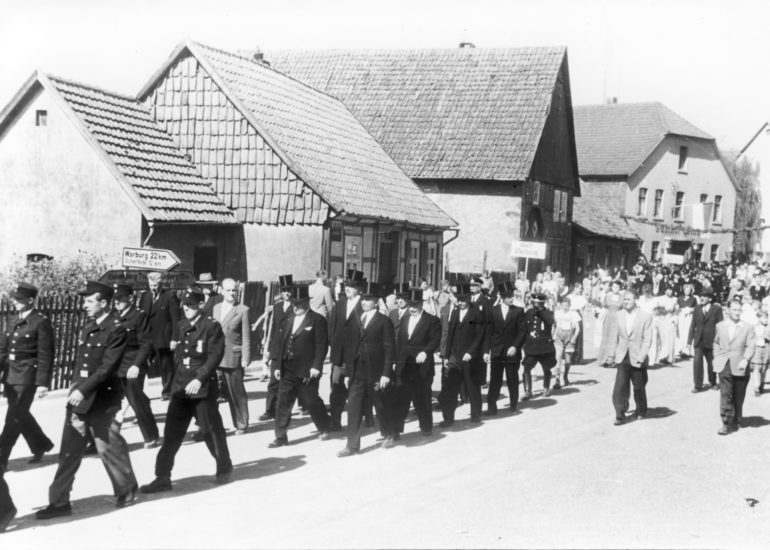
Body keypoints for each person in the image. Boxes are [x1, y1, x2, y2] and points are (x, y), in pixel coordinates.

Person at [36, 281, 137, 519]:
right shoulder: (89, 326)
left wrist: (83, 389)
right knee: (69, 452)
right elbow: (81, 364)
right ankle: (59, 502)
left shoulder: (117, 329)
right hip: (80, 398)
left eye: (90, 301)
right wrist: (76, 388)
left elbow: (107, 367)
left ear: (105, 303)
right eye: (85, 301)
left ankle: (126, 489)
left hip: (102, 400)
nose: (85, 305)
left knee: (108, 448)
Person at [140, 288, 231, 493]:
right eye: (184, 305)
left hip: (202, 389)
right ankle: (162, 476)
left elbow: (214, 356)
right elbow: (179, 359)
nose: (186, 308)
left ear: (201, 305)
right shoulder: (181, 325)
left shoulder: (211, 326)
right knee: (171, 434)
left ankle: (224, 468)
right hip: (181, 389)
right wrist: (175, 385)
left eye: (191, 305)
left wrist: (199, 379)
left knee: (210, 430)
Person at [0, 282, 55, 470]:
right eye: (14, 298)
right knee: (20, 413)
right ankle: (40, 444)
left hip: (26, 376)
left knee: (14, 417)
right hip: (10, 375)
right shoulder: (13, 320)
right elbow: (3, 350)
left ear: (30, 300)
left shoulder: (40, 322)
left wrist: (43, 383)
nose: (14, 302)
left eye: (19, 299)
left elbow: (46, 354)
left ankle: (1, 459)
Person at [269, 285, 332, 447]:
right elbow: (281, 343)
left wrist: (316, 366)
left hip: (306, 370)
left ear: (307, 303)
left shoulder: (317, 320)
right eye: (293, 304)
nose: (295, 307)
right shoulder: (289, 319)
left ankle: (324, 426)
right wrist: (277, 366)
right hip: (287, 368)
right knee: (283, 403)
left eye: (299, 304)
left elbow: (321, 345)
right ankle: (280, 437)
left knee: (311, 401)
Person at [338, 285, 397, 456]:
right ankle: (352, 445)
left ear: (376, 302)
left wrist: (386, 374)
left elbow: (389, 349)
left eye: (368, 300)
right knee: (354, 408)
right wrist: (348, 372)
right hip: (357, 371)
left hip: (376, 372)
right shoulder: (357, 318)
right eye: (363, 299)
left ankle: (389, 433)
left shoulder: (384, 321)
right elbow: (351, 347)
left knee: (381, 404)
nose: (364, 302)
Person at [112, 284, 159, 449]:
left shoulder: (139, 316)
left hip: (132, 365)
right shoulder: (113, 316)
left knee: (136, 402)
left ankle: (151, 436)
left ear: (130, 299)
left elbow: (146, 343)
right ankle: (104, 439)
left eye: (120, 299)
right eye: (115, 299)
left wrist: (137, 365)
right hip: (115, 365)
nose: (117, 302)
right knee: (108, 402)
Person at [395, 289, 441, 434]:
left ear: (421, 304)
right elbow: (400, 342)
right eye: (410, 306)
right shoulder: (405, 319)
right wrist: (396, 361)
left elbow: (435, 340)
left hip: (422, 367)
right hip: (405, 365)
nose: (412, 309)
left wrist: (425, 352)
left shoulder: (432, 320)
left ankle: (426, 427)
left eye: (415, 306)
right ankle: (396, 430)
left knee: (422, 398)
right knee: (401, 397)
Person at [608, 289, 653, 426]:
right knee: (620, 386)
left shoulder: (645, 316)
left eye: (629, 299)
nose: (626, 301)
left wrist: (642, 356)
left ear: (636, 300)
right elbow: (614, 336)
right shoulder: (619, 315)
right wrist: (611, 354)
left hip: (637, 356)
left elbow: (647, 339)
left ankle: (641, 410)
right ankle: (619, 414)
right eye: (624, 299)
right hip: (622, 355)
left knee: (639, 386)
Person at [439, 291, 485, 425]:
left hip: (470, 357)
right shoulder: (455, 313)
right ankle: (448, 419)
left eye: (463, 300)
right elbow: (450, 335)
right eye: (459, 300)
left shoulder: (476, 313)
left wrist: (471, 352)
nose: (461, 303)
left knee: (472, 387)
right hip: (455, 356)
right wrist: (446, 355)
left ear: (469, 299)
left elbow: (479, 335)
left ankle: (476, 415)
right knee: (450, 387)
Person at [213, 278, 251, 434]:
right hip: (216, 356)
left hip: (232, 356)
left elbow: (246, 336)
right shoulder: (216, 308)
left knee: (235, 393)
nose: (231, 293)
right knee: (213, 393)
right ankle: (211, 426)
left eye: (234, 290)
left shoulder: (242, 310)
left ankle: (241, 423)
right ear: (221, 291)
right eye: (228, 290)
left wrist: (246, 357)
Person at [713, 299, 756, 435]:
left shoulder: (748, 327)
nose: (737, 313)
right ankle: (725, 423)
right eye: (734, 310)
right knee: (725, 394)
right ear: (728, 310)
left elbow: (751, 345)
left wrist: (746, 359)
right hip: (724, 364)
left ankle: (737, 417)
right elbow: (716, 342)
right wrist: (716, 356)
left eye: (739, 310)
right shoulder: (720, 326)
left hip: (740, 365)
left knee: (738, 395)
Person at [329, 270, 365, 431]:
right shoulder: (340, 303)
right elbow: (333, 327)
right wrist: (334, 346)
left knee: (357, 390)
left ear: (359, 288)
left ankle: (365, 417)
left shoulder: (364, 304)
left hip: (357, 355)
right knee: (336, 388)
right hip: (340, 356)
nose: (348, 288)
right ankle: (335, 421)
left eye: (352, 286)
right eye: (347, 285)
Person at [483, 283, 525, 415]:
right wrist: (486, 351)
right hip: (497, 352)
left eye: (512, 296)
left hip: (512, 352)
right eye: (508, 296)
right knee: (495, 380)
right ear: (502, 297)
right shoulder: (493, 311)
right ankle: (491, 408)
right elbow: (488, 332)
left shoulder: (518, 311)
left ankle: (513, 405)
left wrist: (515, 346)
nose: (511, 298)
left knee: (512, 379)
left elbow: (522, 332)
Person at [138, 272, 180, 400]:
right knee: (141, 364)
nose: (153, 288)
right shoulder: (145, 296)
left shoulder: (169, 296)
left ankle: (167, 392)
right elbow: (140, 317)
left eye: (155, 285)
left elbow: (175, 319)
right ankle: (138, 392)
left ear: (161, 284)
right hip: (147, 337)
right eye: (151, 285)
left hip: (164, 337)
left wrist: (174, 339)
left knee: (166, 366)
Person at [260, 274, 295, 421]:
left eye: (289, 290)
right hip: (277, 349)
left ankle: (287, 410)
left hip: (290, 349)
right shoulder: (277, 307)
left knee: (289, 382)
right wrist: (269, 349)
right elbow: (273, 329)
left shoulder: (296, 306)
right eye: (284, 290)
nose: (287, 293)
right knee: (273, 382)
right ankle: (270, 410)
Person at [521, 293, 557, 398]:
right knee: (526, 368)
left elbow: (549, 321)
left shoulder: (548, 313)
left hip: (544, 347)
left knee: (546, 368)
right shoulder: (529, 312)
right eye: (535, 303)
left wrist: (540, 312)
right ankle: (528, 391)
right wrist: (524, 342)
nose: (536, 305)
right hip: (532, 346)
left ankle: (546, 388)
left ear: (543, 303)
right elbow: (525, 328)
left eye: (539, 303)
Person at [688, 287, 723, 392]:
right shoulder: (697, 308)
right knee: (697, 363)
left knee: (711, 363)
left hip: (711, 340)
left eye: (704, 296)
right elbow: (692, 325)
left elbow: (721, 325)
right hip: (699, 340)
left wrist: (719, 341)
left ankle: (713, 382)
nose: (702, 298)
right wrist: (689, 341)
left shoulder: (716, 309)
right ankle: (697, 385)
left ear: (710, 299)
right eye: (701, 296)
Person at [553, 297, 581, 388]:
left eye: (566, 306)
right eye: (563, 305)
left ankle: (565, 375)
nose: (565, 307)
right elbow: (556, 325)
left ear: (570, 306)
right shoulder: (558, 313)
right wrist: (554, 335)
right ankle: (557, 379)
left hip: (569, 335)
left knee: (568, 360)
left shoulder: (573, 313)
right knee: (558, 357)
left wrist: (574, 338)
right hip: (560, 335)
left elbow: (578, 328)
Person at [596, 281, 623, 367]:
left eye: (617, 287)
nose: (615, 289)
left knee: (615, 339)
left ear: (620, 288)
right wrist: (600, 319)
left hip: (618, 319)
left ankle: (614, 360)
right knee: (607, 338)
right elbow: (603, 308)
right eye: (614, 287)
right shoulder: (607, 296)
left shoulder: (622, 297)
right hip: (608, 319)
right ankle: (604, 359)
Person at [750, 311, 770, 396]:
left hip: (766, 350)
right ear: (758, 318)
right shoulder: (754, 327)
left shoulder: (768, 328)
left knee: (764, 368)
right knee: (756, 368)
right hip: (757, 350)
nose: (766, 320)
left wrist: (766, 337)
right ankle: (756, 388)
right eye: (764, 318)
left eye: (767, 318)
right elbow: (750, 338)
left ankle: (762, 384)